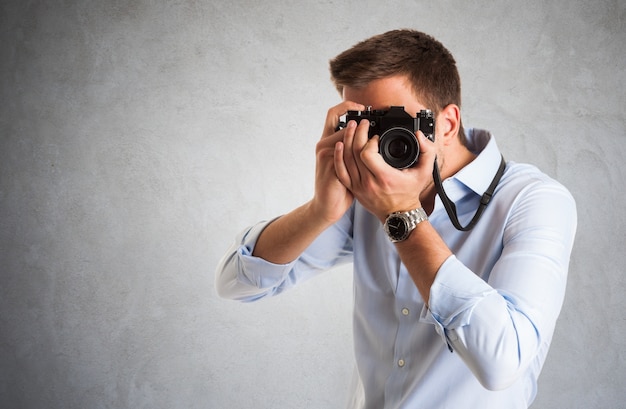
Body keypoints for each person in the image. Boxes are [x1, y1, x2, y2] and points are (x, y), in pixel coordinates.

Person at [215, 29, 577, 409]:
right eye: (364, 125)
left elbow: (503, 362)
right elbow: (236, 283)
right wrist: (319, 210)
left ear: (448, 124)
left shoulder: (533, 200)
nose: (374, 145)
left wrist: (401, 214)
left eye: (393, 123)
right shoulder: (365, 194)